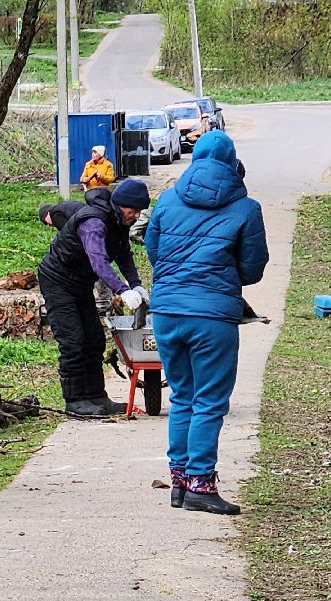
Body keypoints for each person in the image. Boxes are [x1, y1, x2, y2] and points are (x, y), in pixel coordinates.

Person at [144, 130, 267, 514]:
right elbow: (252, 268)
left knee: (181, 396)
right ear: (232, 164)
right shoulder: (246, 208)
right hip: (212, 315)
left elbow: (153, 251)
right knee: (210, 402)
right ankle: (200, 483)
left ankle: (179, 483)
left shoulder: (166, 200)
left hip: (166, 313)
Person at [37, 178, 151, 419]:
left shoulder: (119, 221)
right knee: (74, 341)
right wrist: (122, 290)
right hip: (58, 280)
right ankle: (76, 401)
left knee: (95, 339)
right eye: (133, 211)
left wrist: (137, 285)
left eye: (140, 211)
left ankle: (97, 396)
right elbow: (98, 261)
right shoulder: (94, 223)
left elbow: (124, 255)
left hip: (80, 283)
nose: (136, 215)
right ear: (120, 205)